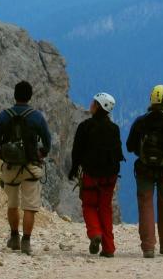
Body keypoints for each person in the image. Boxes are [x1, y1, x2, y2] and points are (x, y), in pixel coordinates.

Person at [0, 81, 52, 255]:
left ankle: (14, 237)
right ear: (30, 96)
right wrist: (41, 153)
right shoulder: (37, 116)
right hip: (30, 166)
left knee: (12, 205)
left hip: (10, 167)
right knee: (29, 206)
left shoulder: (3, 116)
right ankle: (26, 241)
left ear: (14, 95)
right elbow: (48, 142)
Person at [126, 84, 163, 258]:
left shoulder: (141, 121)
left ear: (152, 99)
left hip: (144, 170)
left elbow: (130, 146)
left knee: (146, 205)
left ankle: (148, 246)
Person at [68, 92, 124, 258]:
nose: (90, 104)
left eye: (93, 102)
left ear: (98, 106)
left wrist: (73, 170)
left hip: (91, 175)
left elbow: (76, 151)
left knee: (89, 206)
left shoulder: (85, 127)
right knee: (105, 208)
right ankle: (109, 248)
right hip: (109, 177)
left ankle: (95, 233)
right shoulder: (114, 129)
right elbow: (118, 153)